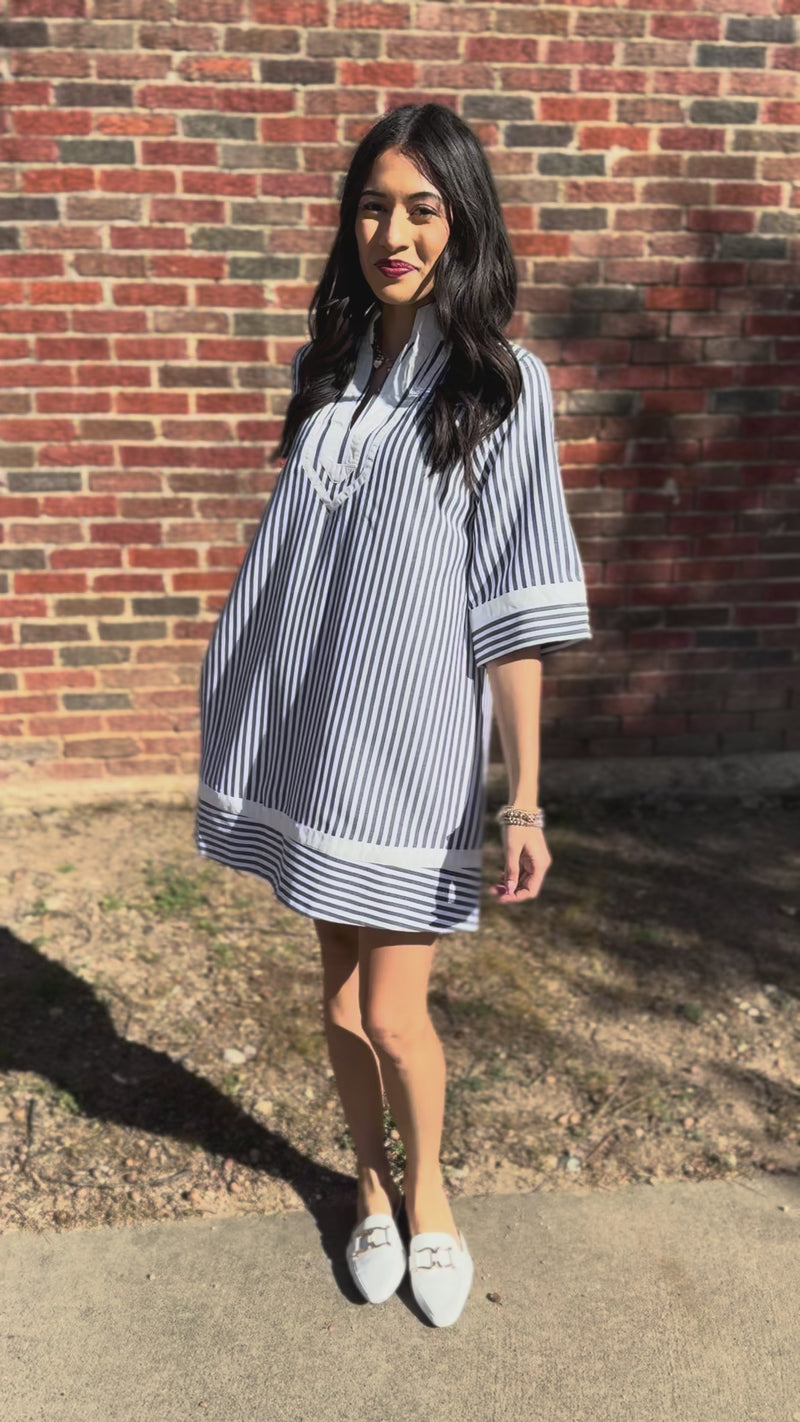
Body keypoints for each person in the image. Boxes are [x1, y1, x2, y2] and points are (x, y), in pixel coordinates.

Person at [195, 103, 591, 1327]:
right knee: (329, 995)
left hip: (410, 747)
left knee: (390, 1008)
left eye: (422, 207)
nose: (395, 230)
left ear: (461, 219)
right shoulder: (331, 365)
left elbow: (515, 608)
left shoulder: (499, 383)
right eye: (373, 204)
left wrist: (521, 796)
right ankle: (366, 1186)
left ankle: (429, 1202)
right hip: (309, 728)